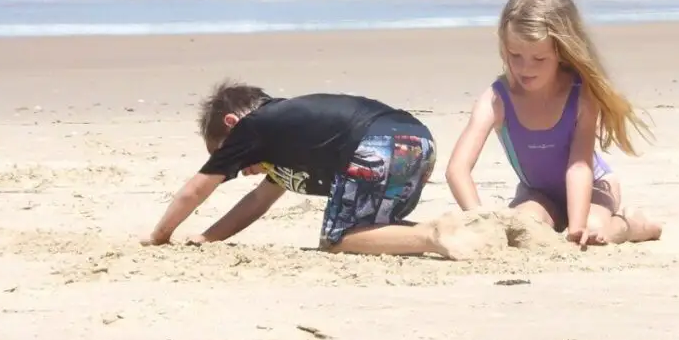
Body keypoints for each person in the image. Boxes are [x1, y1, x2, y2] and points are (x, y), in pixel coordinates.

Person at [141, 79, 467, 258]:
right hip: (418, 142)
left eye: (231, 157)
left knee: (338, 239)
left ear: (233, 123)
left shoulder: (253, 126)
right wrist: (208, 238)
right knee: (372, 230)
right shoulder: (292, 138)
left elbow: (196, 188)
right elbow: (257, 202)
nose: (241, 168)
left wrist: (160, 235)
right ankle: (455, 233)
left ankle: (430, 235)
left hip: (375, 143)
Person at [445, 0, 663, 248]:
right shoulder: (496, 100)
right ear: (504, 45)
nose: (526, 68)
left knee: (593, 232)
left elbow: (579, 165)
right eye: (515, 55)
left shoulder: (581, 96)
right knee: (523, 231)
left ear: (561, 52)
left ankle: (632, 225)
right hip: (537, 193)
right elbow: (457, 169)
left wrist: (578, 225)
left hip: (593, 186)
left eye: (539, 59)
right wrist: (478, 220)